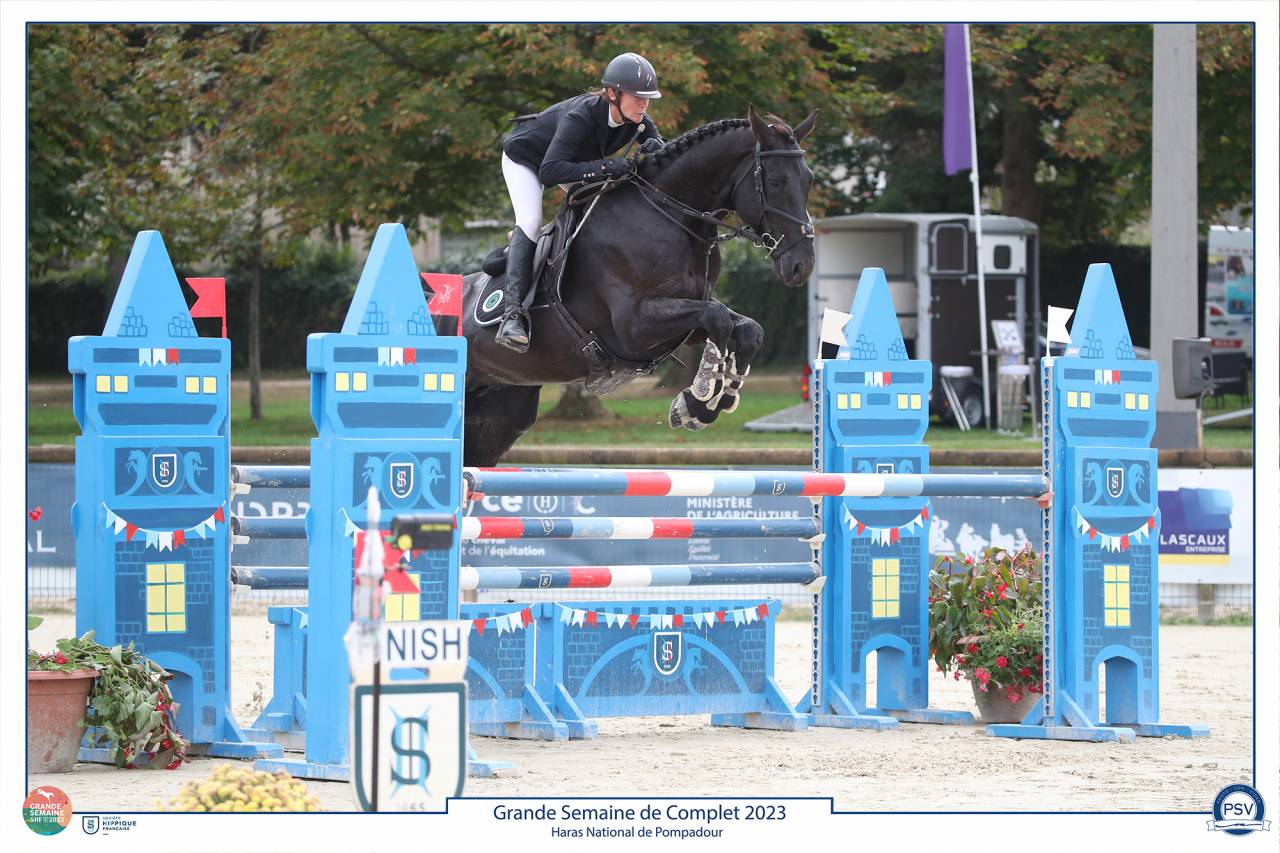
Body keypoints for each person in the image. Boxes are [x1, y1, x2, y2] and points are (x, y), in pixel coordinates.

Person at [494, 52, 666, 352]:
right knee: (530, 220)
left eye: (647, 98)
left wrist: (656, 148)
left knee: (604, 211)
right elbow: (549, 171)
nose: (644, 104)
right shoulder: (581, 116)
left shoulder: (637, 119)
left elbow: (662, 150)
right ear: (613, 93)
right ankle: (512, 317)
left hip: (569, 161)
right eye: (638, 97)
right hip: (527, 159)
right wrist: (604, 167)